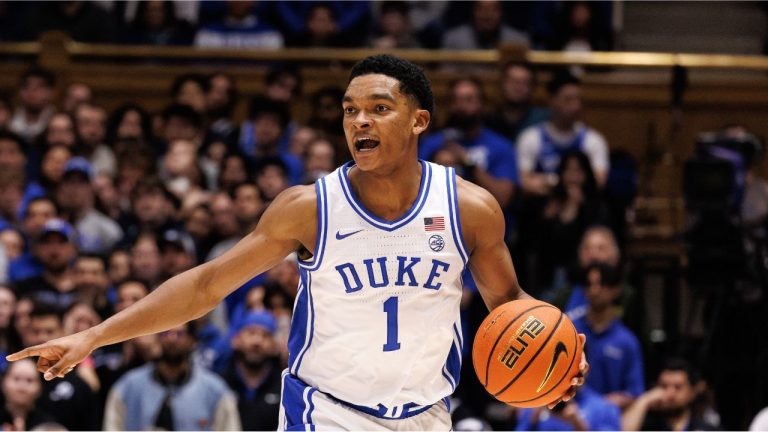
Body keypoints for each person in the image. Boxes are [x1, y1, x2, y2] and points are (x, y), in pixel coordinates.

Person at [7, 55, 587, 430]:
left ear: (419, 121)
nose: (360, 122)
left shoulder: (470, 209)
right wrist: (95, 335)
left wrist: (559, 360)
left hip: (426, 414)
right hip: (325, 413)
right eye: (350, 111)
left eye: (379, 110)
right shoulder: (309, 208)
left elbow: (512, 312)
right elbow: (207, 286)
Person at [103, 321, 240, 431]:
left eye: (180, 333)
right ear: (156, 338)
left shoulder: (215, 390)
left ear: (193, 341)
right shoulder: (127, 387)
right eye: (165, 333)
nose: (172, 339)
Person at [516, 71, 610, 196]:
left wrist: (548, 183)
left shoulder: (593, 141)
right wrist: (568, 185)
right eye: (568, 99)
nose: (575, 106)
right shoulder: (531, 138)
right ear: (551, 101)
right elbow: (522, 182)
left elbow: (598, 182)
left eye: (578, 99)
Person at [622, 358, 718, 431]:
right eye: (664, 386)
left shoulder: (704, 427)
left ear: (692, 392)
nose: (670, 394)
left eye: (678, 387)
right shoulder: (645, 423)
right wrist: (644, 401)